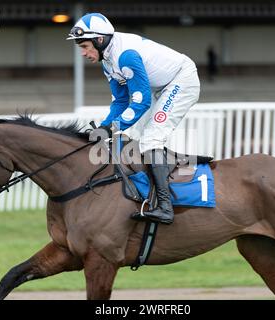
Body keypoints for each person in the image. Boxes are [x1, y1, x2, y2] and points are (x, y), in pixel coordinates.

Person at [67, 13, 200, 225]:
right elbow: (120, 102)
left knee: (150, 140)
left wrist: (112, 128)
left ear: (99, 40)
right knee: (134, 137)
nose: (83, 53)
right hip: (160, 87)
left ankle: (165, 207)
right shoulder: (107, 61)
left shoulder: (125, 56)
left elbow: (140, 102)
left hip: (180, 81)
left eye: (84, 46)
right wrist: (104, 126)